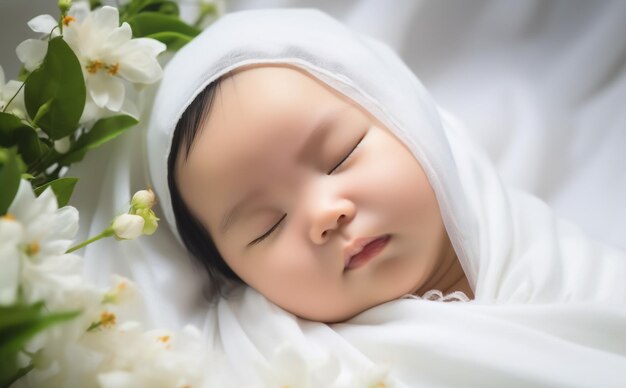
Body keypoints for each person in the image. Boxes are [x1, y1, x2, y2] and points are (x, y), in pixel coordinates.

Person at [146, 8, 626, 324]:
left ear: (410, 119)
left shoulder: (570, 277)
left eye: (341, 155)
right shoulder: (295, 368)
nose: (325, 213)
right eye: (267, 227)